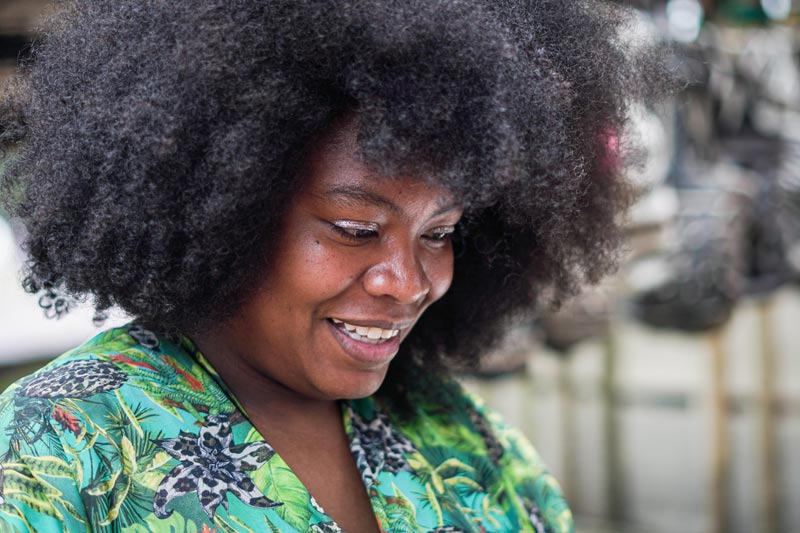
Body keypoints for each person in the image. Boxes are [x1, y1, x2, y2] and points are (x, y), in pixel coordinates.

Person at [0, 0, 666, 531]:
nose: (407, 282)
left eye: (440, 232)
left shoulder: (466, 441)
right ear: (227, 209)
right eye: (356, 229)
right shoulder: (58, 448)